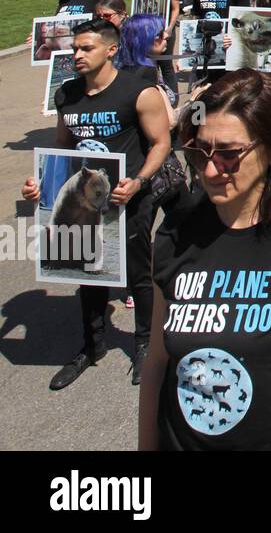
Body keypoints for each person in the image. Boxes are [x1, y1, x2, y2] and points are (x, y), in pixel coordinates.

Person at [139, 69, 271, 450]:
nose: (210, 169)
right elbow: (158, 364)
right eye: (199, 151)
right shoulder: (174, 234)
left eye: (228, 154)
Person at [20, 20, 172, 390]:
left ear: (110, 49)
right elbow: (62, 148)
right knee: (84, 271)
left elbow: (161, 143)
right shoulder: (67, 94)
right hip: (85, 198)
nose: (77, 55)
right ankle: (92, 346)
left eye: (85, 48)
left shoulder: (138, 90)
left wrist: (138, 182)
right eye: (75, 48)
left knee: (138, 275)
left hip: (128, 197)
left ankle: (144, 345)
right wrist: (39, 183)